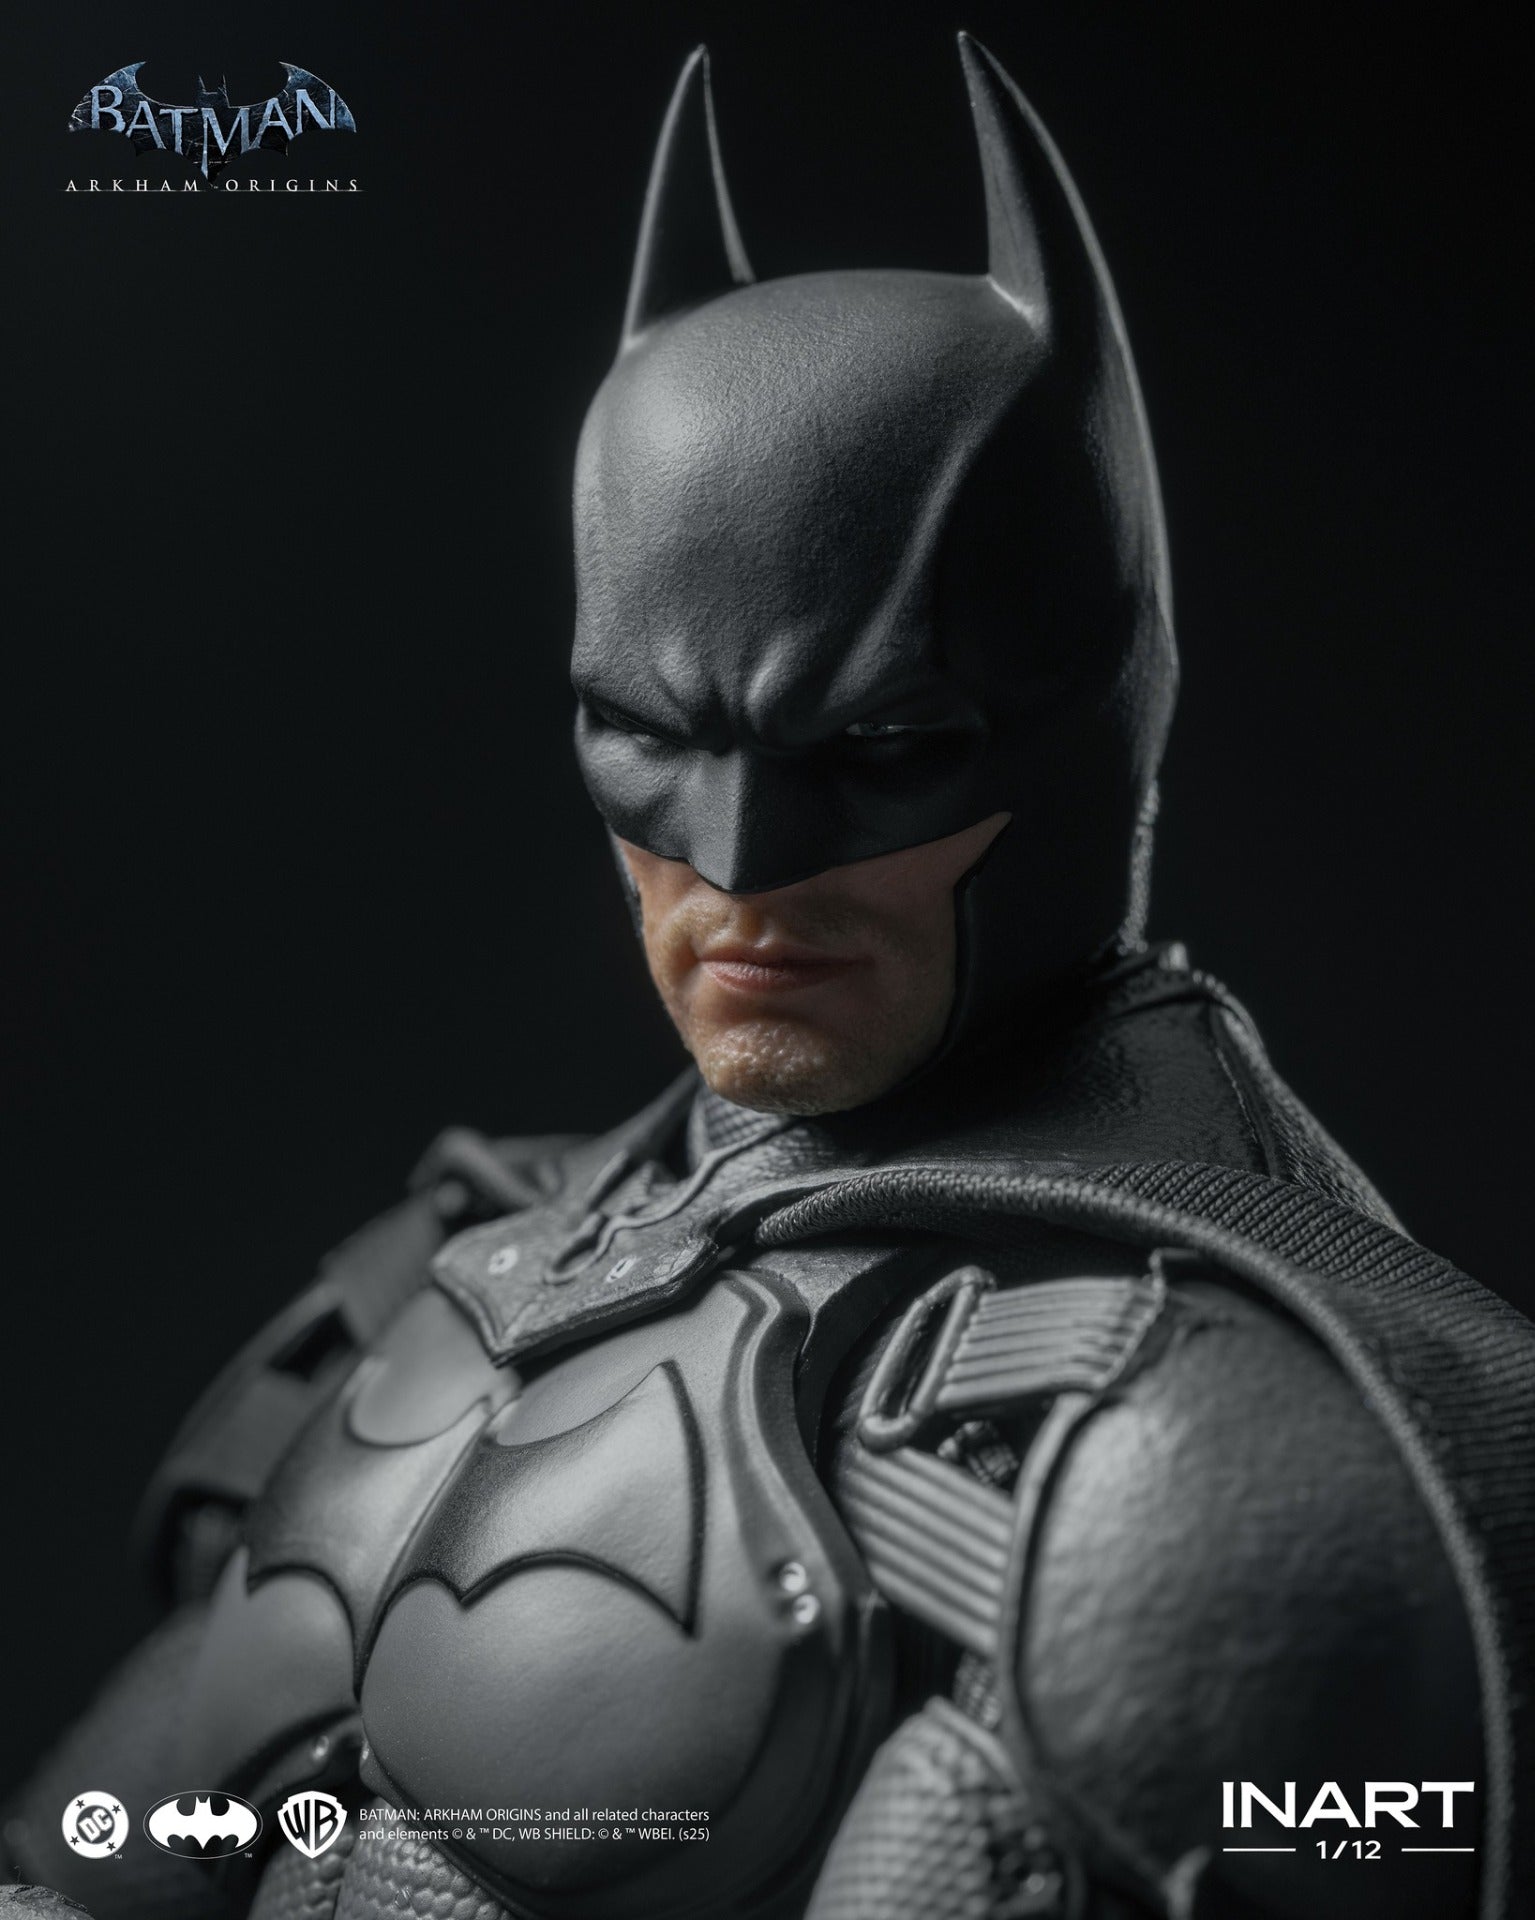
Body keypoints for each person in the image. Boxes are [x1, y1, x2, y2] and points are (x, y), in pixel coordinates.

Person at [5, 36, 1530, 1920]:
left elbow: (1355, 1829)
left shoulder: (1157, 1434)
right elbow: (96, 1856)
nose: (740, 865)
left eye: (883, 748)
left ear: (1090, 727)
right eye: (650, 735)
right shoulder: (462, 1270)